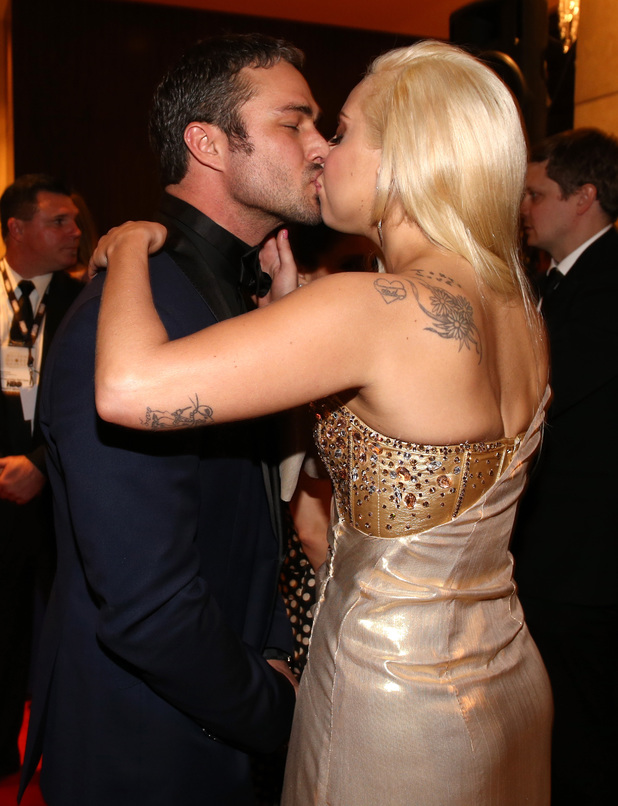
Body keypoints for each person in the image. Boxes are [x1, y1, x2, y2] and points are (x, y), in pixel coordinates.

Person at [93, 40, 552, 805]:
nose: (320, 153)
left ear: (400, 158)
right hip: (501, 670)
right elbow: (384, 490)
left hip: (391, 694)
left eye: (339, 132)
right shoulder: (517, 305)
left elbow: (125, 388)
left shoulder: (370, 310)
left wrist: (132, 247)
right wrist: (294, 326)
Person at [18, 34, 329, 806]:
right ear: (208, 143)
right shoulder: (124, 318)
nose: (320, 146)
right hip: (148, 742)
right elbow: (149, 606)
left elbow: (249, 521)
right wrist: (280, 712)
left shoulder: (245, 293)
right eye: (295, 124)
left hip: (215, 710)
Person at [512, 128, 618, 805]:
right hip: (559, 558)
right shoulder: (560, 278)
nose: (524, 206)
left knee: (586, 747)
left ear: (585, 197)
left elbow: (543, 391)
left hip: (588, 566)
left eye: (536, 193)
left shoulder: (610, 279)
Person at [0, 174, 82, 780]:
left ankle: (61, 757)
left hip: (61, 503)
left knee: (59, 633)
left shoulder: (89, 304)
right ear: (16, 230)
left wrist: (45, 467)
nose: (75, 232)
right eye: (59, 221)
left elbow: (94, 408)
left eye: (75, 221)